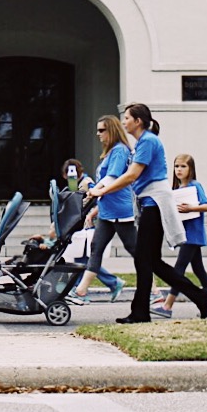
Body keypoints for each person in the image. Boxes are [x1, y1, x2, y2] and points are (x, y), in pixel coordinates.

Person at [97, 103, 207, 323]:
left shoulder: (148, 141)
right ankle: (198, 295)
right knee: (150, 260)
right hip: (149, 203)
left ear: (138, 121)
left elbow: (131, 175)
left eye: (127, 117)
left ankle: (141, 312)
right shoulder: (143, 142)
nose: (124, 122)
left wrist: (101, 190)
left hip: (155, 204)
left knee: (143, 259)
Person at [82, 115, 137, 303]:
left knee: (134, 249)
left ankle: (153, 291)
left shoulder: (120, 151)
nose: (98, 134)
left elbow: (112, 178)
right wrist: (95, 207)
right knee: (96, 248)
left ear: (111, 130)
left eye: (101, 130)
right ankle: (81, 290)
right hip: (107, 210)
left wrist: (94, 191)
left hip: (120, 211)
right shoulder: (111, 152)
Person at [157, 154, 207, 318]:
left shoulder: (195, 186)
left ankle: (167, 305)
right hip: (183, 234)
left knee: (178, 269)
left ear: (191, 168)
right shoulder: (175, 190)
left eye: (183, 166)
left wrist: (191, 208)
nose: (179, 170)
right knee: (199, 270)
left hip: (193, 234)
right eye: (176, 166)